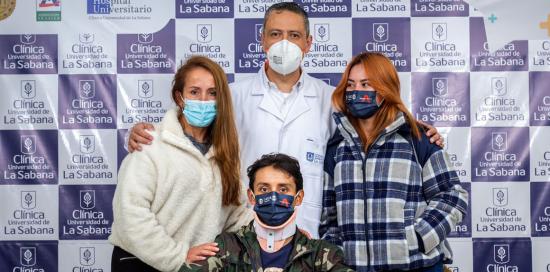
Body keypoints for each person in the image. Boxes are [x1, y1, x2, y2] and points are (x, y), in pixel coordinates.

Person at [125, 3, 443, 239]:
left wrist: (416, 129)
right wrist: (141, 131)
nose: (284, 43)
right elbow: (187, 133)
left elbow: (371, 131)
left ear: (308, 43)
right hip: (241, 232)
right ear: (263, 40)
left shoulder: (330, 99)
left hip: (306, 235)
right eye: (276, 34)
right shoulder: (232, 96)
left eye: (293, 35)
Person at [318, 52, 468, 272]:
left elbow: (451, 196)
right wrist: (340, 257)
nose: (356, 91)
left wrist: (419, 237)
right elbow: (329, 215)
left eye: (366, 84)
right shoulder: (336, 148)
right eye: (351, 85)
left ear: (385, 88)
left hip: (417, 267)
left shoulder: (417, 139)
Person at [108, 56, 253, 272]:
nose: (203, 100)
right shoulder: (150, 143)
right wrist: (178, 256)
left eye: (212, 93)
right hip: (138, 271)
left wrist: (283, 233)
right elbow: (130, 214)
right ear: (179, 97)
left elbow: (237, 217)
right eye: (194, 92)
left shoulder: (227, 153)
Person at [162, 153, 364, 272]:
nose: (273, 197)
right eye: (264, 189)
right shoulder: (228, 245)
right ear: (251, 197)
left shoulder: (320, 252)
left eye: (283, 189)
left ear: (299, 198)